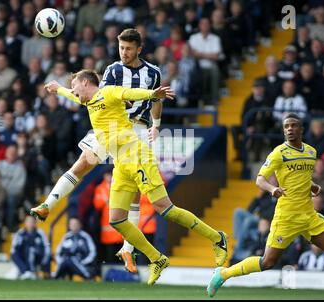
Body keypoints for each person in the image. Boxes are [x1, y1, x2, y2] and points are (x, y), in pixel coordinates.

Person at [38, 69, 228, 285]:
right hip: (120, 164)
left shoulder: (108, 92)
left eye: (74, 87)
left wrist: (151, 95)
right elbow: (72, 95)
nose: (74, 92)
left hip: (137, 156)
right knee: (117, 220)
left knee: (166, 210)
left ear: (84, 82)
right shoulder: (89, 101)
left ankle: (217, 238)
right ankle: (157, 258)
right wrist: (58, 89)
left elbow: (129, 92)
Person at [31, 29, 164, 274]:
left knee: (134, 191)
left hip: (136, 131)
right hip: (110, 126)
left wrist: (155, 126)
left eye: (128, 48)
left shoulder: (153, 73)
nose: (124, 53)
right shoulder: (113, 71)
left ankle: (128, 249)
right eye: (121, 48)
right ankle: (47, 204)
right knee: (81, 164)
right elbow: (91, 98)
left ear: (139, 49)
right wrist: (60, 89)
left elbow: (156, 100)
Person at [208, 113, 324, 300]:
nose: (289, 129)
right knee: (267, 262)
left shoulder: (311, 152)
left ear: (301, 129)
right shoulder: (278, 153)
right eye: (286, 126)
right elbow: (260, 179)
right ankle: (223, 274)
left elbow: (301, 178)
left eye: (293, 125)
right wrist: (272, 188)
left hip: (308, 215)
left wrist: (312, 185)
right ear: (283, 130)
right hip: (286, 217)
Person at [11, 216, 50, 280]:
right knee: (14, 253)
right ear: (25, 223)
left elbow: (47, 246)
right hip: (24, 256)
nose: (30, 223)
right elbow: (14, 247)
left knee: (30, 249)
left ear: (35, 223)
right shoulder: (20, 233)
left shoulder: (40, 232)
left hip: (38, 256)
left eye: (31, 221)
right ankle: (25, 271)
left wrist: (44, 259)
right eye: (28, 221)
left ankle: (31, 271)